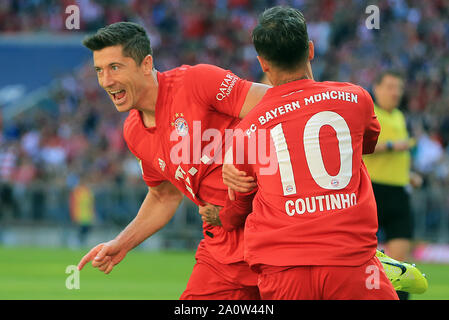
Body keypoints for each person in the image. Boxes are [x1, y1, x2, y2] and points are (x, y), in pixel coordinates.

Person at [76, 21, 270, 300]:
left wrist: (242, 155)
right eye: (99, 71)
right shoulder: (133, 132)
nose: (106, 81)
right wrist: (123, 243)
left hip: (274, 235)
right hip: (221, 247)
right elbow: (163, 195)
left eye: (115, 68)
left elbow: (278, 105)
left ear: (146, 64)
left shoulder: (196, 82)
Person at [219, 6, 399, 299]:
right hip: (351, 264)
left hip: (283, 272)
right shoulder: (355, 99)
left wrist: (223, 217)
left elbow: (238, 203)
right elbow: (367, 144)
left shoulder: (246, 130)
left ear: (262, 63)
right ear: (311, 49)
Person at [362, 70, 422, 300]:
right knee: (366, 257)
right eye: (389, 86)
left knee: (400, 263)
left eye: (398, 87)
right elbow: (360, 145)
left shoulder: (399, 116)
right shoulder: (370, 112)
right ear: (376, 88)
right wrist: (391, 146)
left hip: (399, 192)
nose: (395, 92)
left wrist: (409, 175)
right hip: (373, 190)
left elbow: (399, 156)